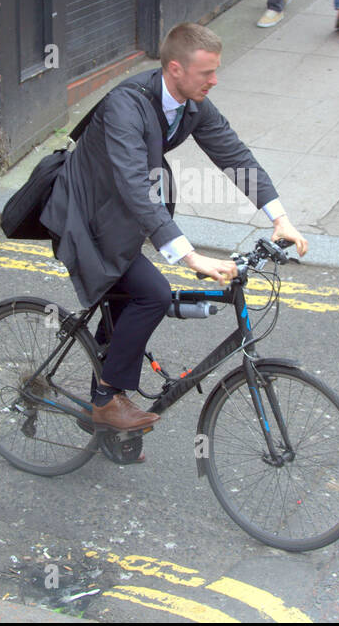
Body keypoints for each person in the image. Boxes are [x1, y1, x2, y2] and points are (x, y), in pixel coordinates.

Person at [40, 23, 308, 432]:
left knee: (125, 299)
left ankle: (106, 417)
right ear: (176, 69)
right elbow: (133, 184)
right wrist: (188, 254)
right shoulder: (124, 106)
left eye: (216, 71)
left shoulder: (192, 104)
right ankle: (105, 400)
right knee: (152, 294)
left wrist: (280, 218)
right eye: (207, 73)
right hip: (86, 214)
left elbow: (234, 155)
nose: (214, 81)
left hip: (124, 211)